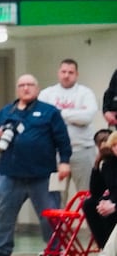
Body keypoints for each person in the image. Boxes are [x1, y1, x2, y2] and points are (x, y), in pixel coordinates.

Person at [0, 74, 72, 256]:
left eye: (30, 85)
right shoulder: (6, 112)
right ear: (17, 89)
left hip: (42, 175)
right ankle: (2, 250)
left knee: (50, 216)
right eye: (22, 85)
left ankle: (54, 250)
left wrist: (64, 162)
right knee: (3, 215)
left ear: (37, 88)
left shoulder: (50, 112)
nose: (26, 88)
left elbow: (63, 139)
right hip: (9, 175)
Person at [38, 58, 99, 198]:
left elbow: (87, 117)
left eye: (70, 72)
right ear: (58, 73)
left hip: (83, 151)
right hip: (55, 154)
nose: (66, 75)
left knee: (87, 196)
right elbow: (42, 119)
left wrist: (57, 114)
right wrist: (75, 115)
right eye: (63, 72)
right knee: (56, 197)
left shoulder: (85, 93)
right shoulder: (47, 94)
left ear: (76, 74)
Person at [83, 129, 117, 249]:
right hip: (113, 199)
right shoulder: (108, 164)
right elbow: (95, 191)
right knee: (90, 204)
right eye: (100, 141)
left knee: (108, 207)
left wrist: (114, 205)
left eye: (107, 140)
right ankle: (105, 246)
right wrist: (97, 163)